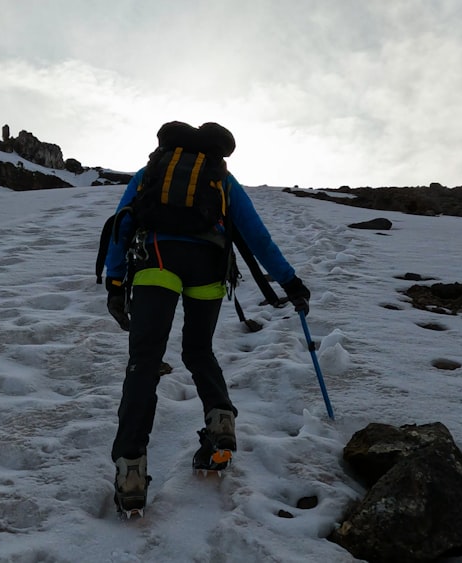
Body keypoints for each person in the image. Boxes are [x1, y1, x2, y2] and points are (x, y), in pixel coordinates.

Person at [103, 121, 311, 515]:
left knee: (144, 361)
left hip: (156, 262)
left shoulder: (151, 173)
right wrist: (290, 282)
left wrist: (115, 283)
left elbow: (122, 224)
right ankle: (220, 425)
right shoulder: (221, 180)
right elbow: (256, 236)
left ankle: (131, 469)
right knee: (198, 351)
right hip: (209, 264)